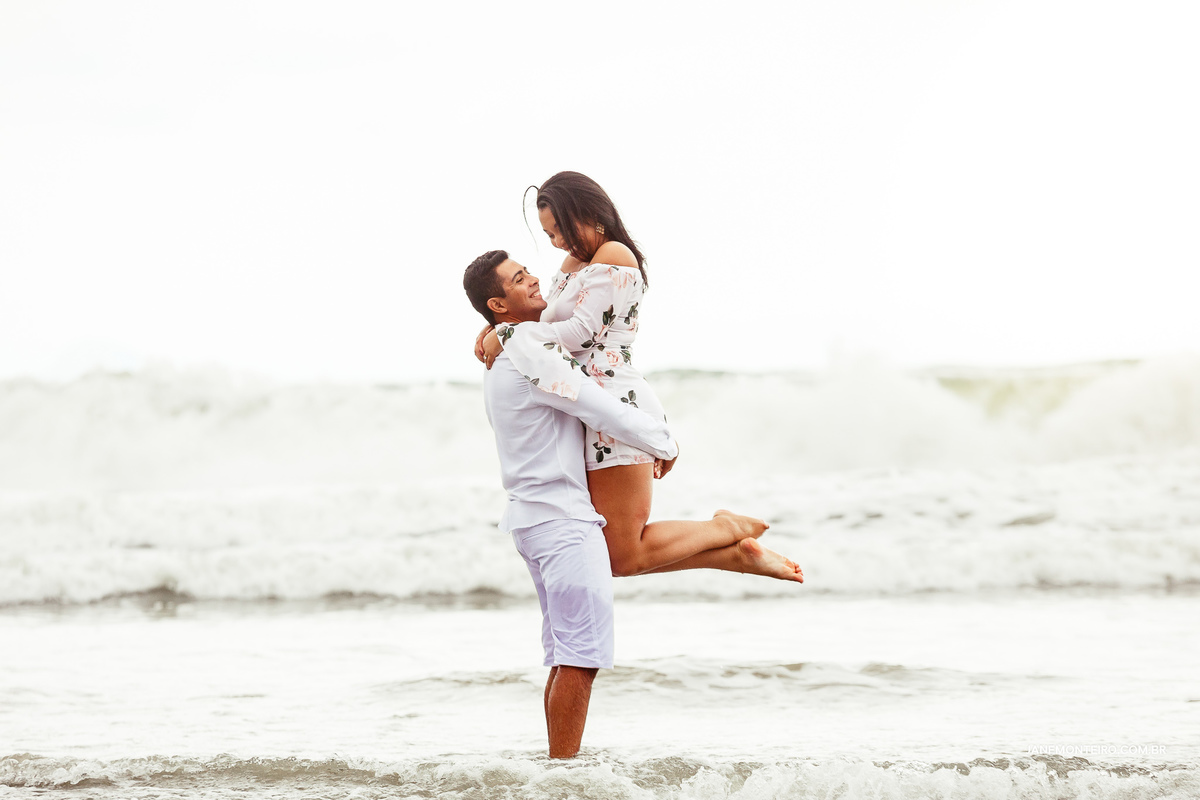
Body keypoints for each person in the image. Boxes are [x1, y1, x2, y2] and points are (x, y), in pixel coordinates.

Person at [465, 250, 802, 757]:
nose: (533, 278)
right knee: (580, 659)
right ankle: (564, 775)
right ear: (498, 304)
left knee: (565, 655)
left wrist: (498, 331)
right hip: (562, 522)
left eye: (528, 269)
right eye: (518, 279)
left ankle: (557, 770)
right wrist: (661, 439)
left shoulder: (509, 348)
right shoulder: (525, 347)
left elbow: (554, 326)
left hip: (533, 521)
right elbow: (589, 400)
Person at [477, 171, 804, 581]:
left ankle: (725, 530)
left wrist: (510, 334)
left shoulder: (615, 255)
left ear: (586, 213)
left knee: (621, 554)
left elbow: (580, 334)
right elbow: (544, 320)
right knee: (616, 554)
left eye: (559, 229)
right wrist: (497, 327)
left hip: (615, 402)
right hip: (589, 408)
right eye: (549, 235)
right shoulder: (575, 263)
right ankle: (734, 556)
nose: (557, 242)